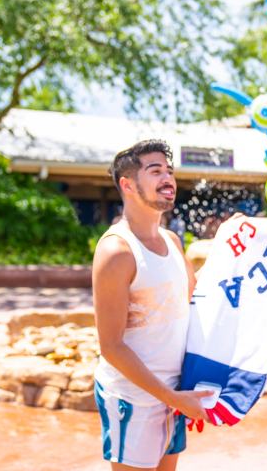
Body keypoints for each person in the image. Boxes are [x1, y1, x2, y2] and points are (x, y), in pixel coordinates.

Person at [92, 139, 212, 471]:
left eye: (169, 171)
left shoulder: (171, 240)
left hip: (173, 395)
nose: (168, 178)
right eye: (155, 171)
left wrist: (234, 245)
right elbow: (111, 346)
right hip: (133, 400)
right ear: (128, 185)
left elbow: (193, 297)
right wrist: (173, 398)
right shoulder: (117, 251)